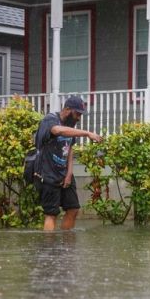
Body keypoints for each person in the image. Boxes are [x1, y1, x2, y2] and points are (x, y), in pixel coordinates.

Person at [34, 96, 102, 231]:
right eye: (77, 114)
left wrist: (69, 173)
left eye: (80, 115)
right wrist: (87, 133)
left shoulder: (71, 126)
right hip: (47, 173)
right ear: (67, 109)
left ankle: (66, 247)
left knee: (73, 209)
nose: (78, 118)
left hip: (64, 173)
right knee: (51, 214)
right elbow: (57, 130)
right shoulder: (50, 119)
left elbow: (70, 148)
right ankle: (49, 248)